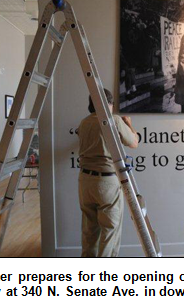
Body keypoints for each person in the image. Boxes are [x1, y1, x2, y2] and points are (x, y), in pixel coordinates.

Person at [77, 89, 138, 257]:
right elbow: (134, 143)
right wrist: (129, 124)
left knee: (89, 231)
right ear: (109, 104)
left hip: (84, 181)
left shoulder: (84, 123)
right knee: (110, 231)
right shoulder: (114, 120)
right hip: (106, 182)